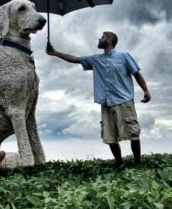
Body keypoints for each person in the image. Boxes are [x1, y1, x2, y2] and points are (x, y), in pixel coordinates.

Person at [46, 31, 151, 166]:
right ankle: (119, 163)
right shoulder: (96, 59)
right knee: (110, 136)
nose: (99, 39)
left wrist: (146, 90)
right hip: (106, 103)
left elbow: (136, 74)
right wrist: (55, 53)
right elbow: (75, 59)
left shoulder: (124, 56)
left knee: (133, 132)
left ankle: (137, 163)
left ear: (110, 40)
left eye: (102, 37)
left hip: (124, 101)